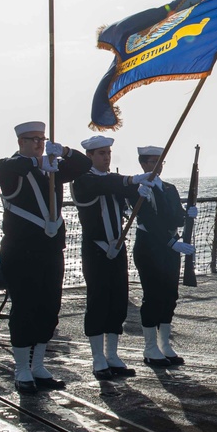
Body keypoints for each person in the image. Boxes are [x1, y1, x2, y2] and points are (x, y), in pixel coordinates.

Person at [0, 121, 91, 394]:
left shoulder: (51, 169)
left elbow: (83, 166)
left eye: (42, 139)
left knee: (49, 307)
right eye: (32, 139)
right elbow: (6, 168)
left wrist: (65, 152)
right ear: (20, 142)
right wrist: (39, 164)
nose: (38, 143)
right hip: (21, 249)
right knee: (25, 307)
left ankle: (38, 365)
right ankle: (22, 368)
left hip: (49, 249)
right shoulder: (10, 168)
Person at [70, 135, 152, 379]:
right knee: (98, 300)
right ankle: (97, 358)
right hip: (96, 248)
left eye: (108, 153)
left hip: (117, 248)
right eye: (101, 153)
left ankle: (112, 355)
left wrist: (140, 191)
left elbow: (125, 194)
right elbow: (103, 186)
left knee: (118, 300)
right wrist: (131, 180)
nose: (106, 157)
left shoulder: (113, 180)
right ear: (90, 157)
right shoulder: (83, 181)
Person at [132, 146, 197, 367]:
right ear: (142, 164)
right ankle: (150, 348)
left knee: (170, 295)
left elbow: (175, 217)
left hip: (170, 248)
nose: (156, 166)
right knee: (153, 296)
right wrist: (172, 243)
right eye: (152, 162)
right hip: (150, 247)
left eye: (160, 162)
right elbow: (149, 222)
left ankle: (164, 344)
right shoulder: (140, 190)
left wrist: (187, 214)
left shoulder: (169, 188)